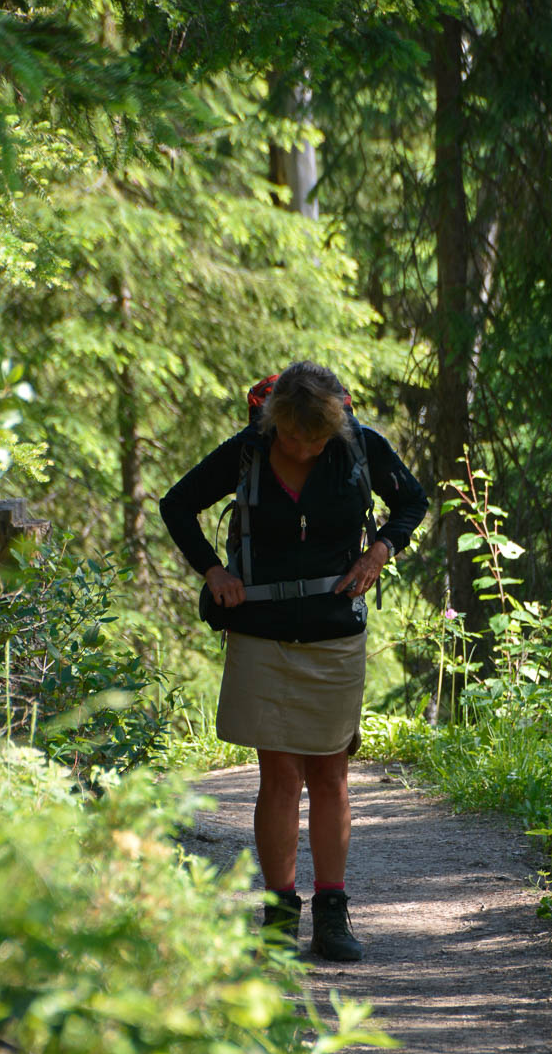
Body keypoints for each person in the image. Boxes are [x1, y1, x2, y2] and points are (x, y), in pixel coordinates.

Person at [159, 361, 428, 961]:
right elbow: (176, 505)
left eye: (316, 439)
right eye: (292, 437)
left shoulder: (360, 447)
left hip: (335, 633)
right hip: (261, 633)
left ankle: (333, 914)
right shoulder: (248, 450)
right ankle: (279, 914)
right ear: (272, 420)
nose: (304, 448)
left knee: (330, 774)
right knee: (279, 776)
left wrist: (380, 551)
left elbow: (412, 500)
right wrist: (213, 571)